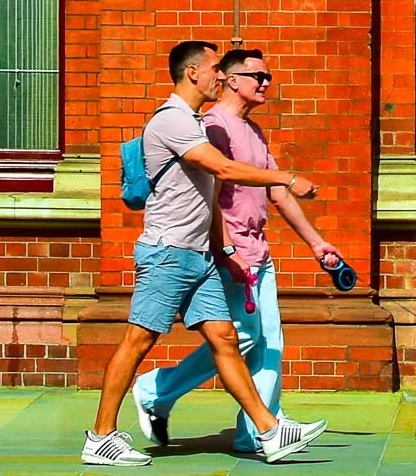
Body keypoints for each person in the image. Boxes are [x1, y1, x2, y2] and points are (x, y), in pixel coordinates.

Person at [84, 40, 328, 467]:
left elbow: (210, 198)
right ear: (192, 72)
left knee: (226, 338)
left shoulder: (197, 123)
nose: (220, 75)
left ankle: (269, 431)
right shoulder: (172, 120)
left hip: (198, 257)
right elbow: (224, 170)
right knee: (138, 340)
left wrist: (223, 249)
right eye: (216, 68)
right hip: (167, 253)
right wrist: (287, 177)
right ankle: (100, 437)